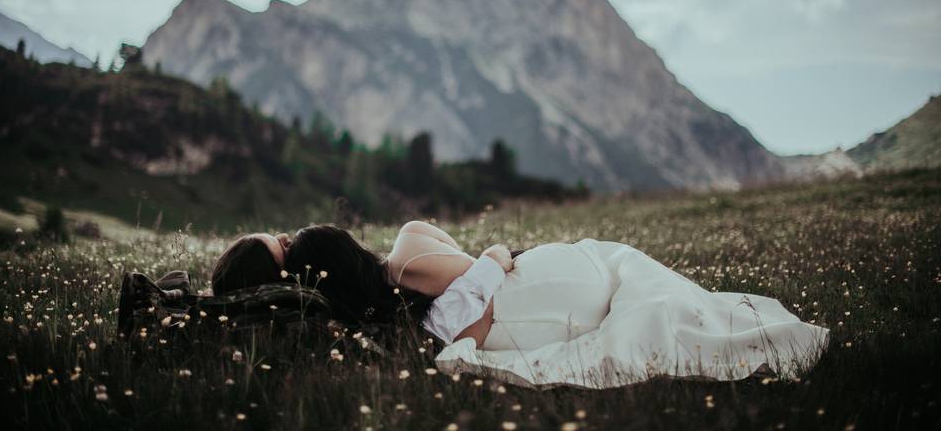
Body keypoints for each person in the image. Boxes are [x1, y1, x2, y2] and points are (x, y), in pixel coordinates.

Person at [210, 222, 830, 389]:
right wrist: (496, 257)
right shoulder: (403, 268)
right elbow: (488, 268)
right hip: (555, 283)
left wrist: (486, 271)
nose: (294, 235)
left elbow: (475, 287)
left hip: (553, 285)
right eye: (284, 243)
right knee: (656, 303)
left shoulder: (398, 293)